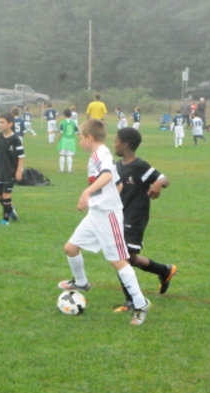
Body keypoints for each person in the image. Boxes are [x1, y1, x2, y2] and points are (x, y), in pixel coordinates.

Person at [58, 119, 150, 326]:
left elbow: (107, 175)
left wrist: (87, 192)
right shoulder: (98, 154)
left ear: (90, 138)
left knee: (118, 261)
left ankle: (140, 304)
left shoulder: (101, 154)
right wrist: (102, 198)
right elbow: (118, 184)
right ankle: (81, 283)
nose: (79, 141)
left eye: (81, 138)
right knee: (71, 248)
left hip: (108, 216)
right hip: (96, 214)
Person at [113, 127, 176, 312]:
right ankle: (164, 271)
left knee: (121, 257)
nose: (114, 144)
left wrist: (157, 183)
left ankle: (131, 300)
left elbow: (164, 178)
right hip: (119, 216)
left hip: (135, 217)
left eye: (116, 141)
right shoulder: (118, 166)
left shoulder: (140, 166)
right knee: (130, 258)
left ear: (125, 145)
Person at [0, 112, 24, 225]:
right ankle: (10, 209)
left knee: (6, 195)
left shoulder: (15, 139)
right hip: (0, 171)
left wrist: (19, 171)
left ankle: (5, 220)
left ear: (10, 124)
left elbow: (21, 156)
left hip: (10, 172)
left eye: (2, 122)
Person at [55, 108, 78, 173]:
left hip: (64, 140)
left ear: (64, 115)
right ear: (71, 115)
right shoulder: (73, 123)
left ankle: (61, 169)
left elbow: (61, 132)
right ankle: (69, 169)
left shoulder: (62, 122)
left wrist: (58, 138)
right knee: (69, 155)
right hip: (71, 140)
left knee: (62, 155)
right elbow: (76, 132)